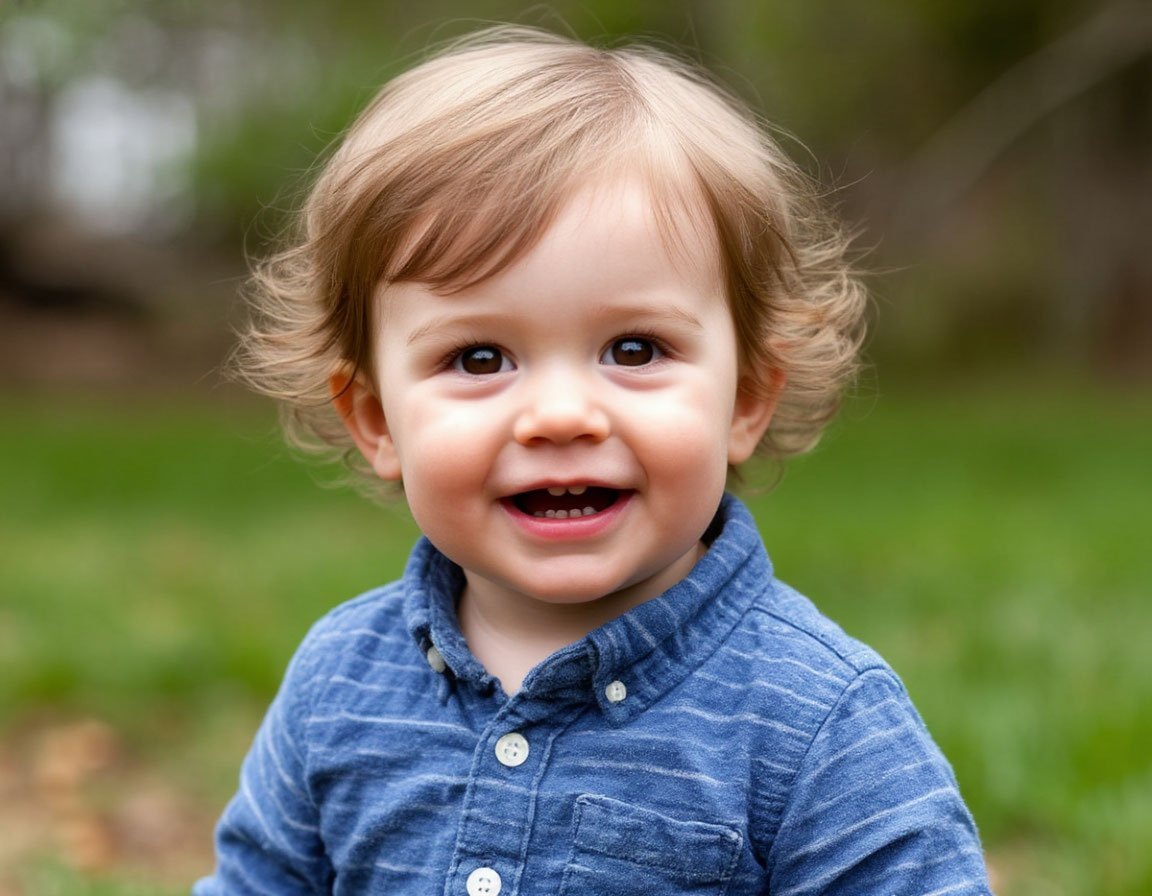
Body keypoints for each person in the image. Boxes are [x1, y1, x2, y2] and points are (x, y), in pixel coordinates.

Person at [196, 25, 992, 895]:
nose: (561, 416)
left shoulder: (817, 721)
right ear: (377, 419)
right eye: (479, 358)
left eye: (635, 349)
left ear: (745, 399)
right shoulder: (340, 681)